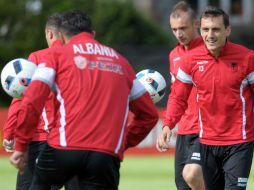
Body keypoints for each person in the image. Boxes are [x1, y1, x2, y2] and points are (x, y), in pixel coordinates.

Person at [9, 9, 158, 190]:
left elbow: (31, 101)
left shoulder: (54, 56)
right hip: (104, 154)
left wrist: (21, 144)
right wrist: (122, 142)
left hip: (64, 147)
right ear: (93, 34)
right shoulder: (121, 62)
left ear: (61, 37)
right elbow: (149, 115)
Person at [157, 5, 254, 190]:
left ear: (228, 30)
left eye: (216, 29)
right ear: (200, 29)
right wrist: (168, 124)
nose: (210, 34)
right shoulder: (190, 61)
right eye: (206, 29)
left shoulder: (248, 58)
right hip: (206, 142)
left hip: (239, 142)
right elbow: (178, 96)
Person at [2, 13, 79, 190]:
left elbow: (23, 98)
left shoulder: (37, 58)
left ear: (50, 34)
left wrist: (9, 133)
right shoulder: (82, 60)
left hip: (44, 140)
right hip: (78, 141)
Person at [156, 1, 204, 190]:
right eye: (174, 29)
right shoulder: (174, 54)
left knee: (193, 175)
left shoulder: (209, 50)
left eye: (183, 28)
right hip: (184, 130)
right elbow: (176, 94)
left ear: (196, 24)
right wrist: (168, 124)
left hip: (205, 129)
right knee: (182, 184)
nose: (179, 34)